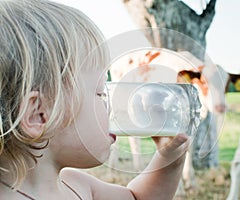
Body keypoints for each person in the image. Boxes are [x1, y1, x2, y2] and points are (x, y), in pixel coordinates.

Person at [0, 0, 189, 199]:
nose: (110, 105)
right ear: (38, 114)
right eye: (100, 93)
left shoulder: (76, 185)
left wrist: (169, 157)